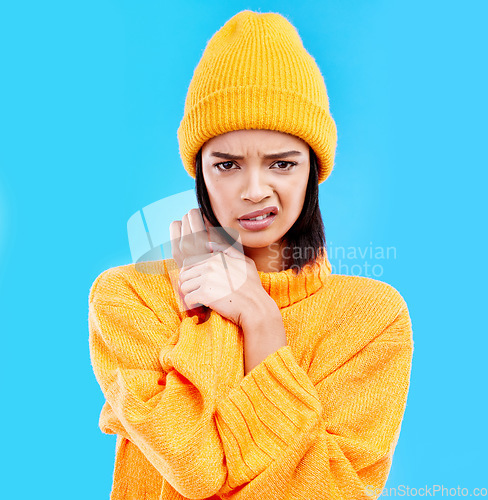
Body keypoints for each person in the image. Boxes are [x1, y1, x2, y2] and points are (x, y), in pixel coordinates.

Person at [88, 10, 414, 500]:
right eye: (228, 165)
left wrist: (260, 320)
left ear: (313, 171)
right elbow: (197, 468)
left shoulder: (370, 320)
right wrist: (209, 310)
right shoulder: (129, 299)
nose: (255, 190)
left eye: (282, 163)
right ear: (200, 171)